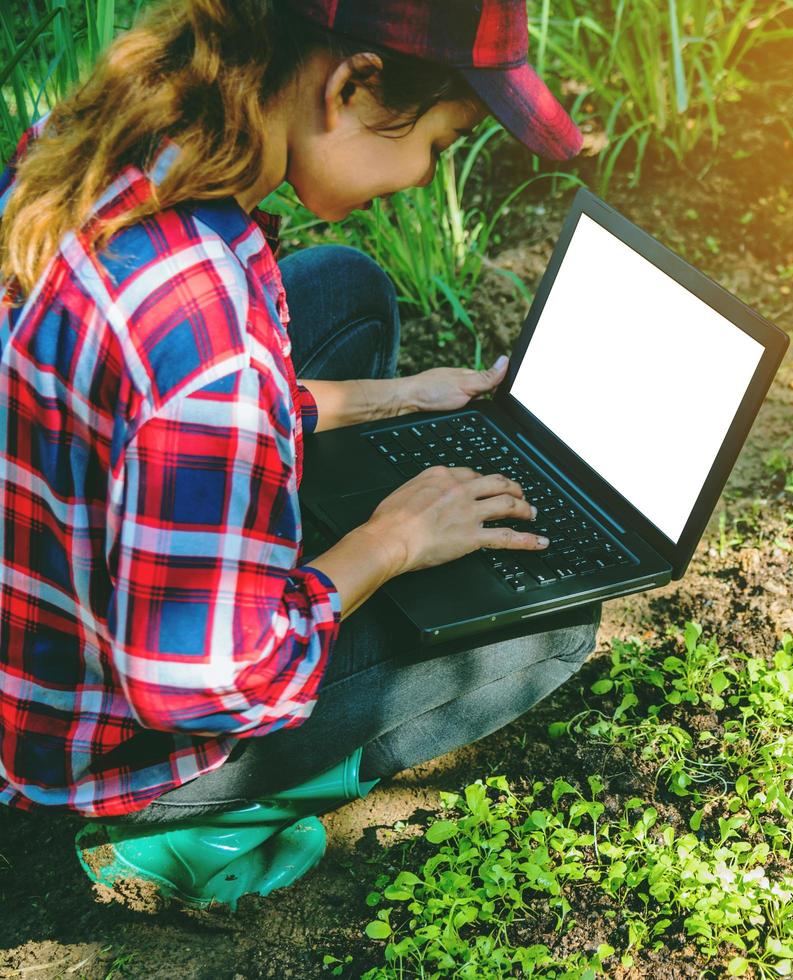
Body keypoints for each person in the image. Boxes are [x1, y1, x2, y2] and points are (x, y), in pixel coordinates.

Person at [0, 0, 595, 909]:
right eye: (436, 142)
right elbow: (203, 685)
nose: (424, 176)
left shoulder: (90, 152)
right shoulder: (212, 342)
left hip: (37, 588)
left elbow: (138, 404)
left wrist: (396, 396)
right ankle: (190, 821)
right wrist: (386, 544)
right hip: (92, 734)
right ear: (351, 84)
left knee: (346, 292)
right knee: (550, 627)